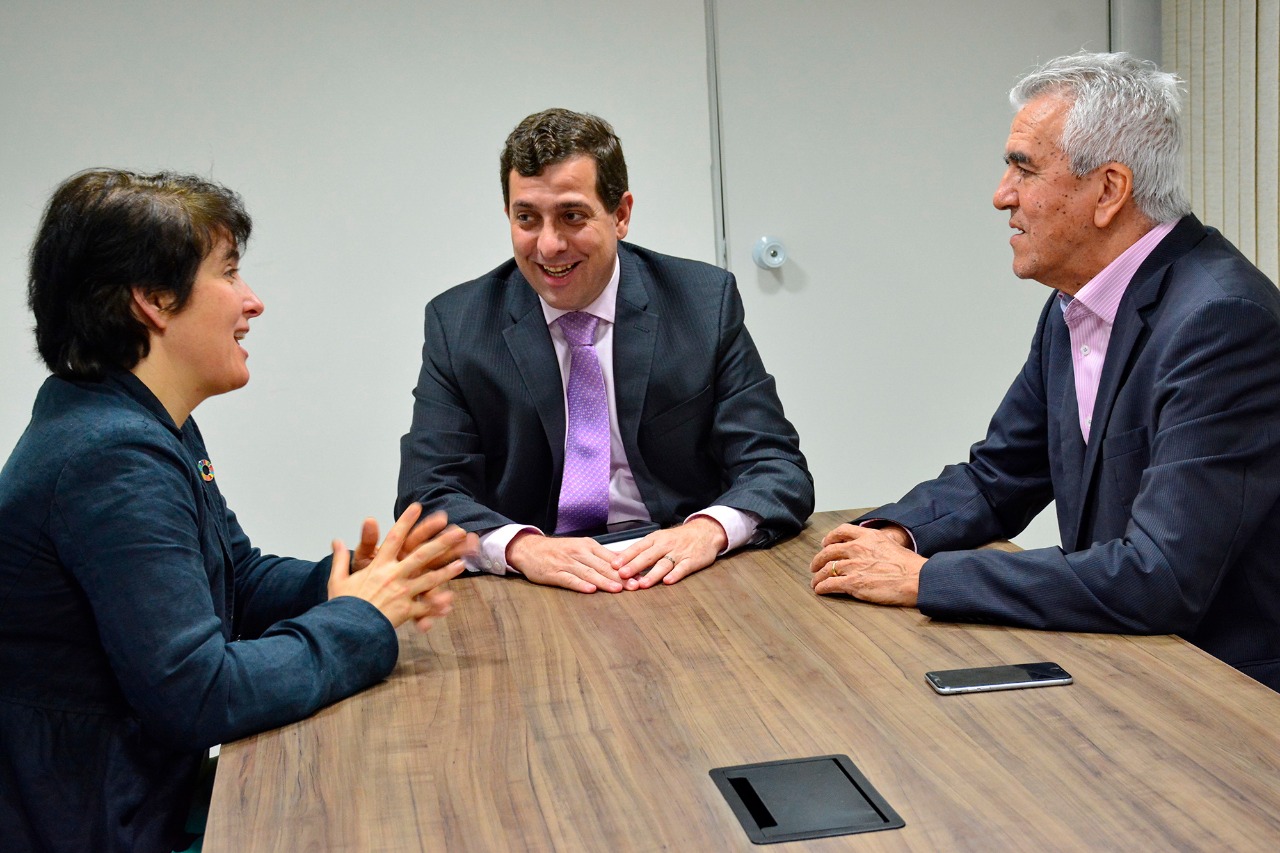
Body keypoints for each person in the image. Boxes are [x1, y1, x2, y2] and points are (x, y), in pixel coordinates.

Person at [0, 169, 472, 853]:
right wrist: (360, 620)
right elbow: (196, 692)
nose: (252, 302)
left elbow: (238, 579)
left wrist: (345, 579)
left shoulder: (132, 422)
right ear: (154, 300)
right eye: (229, 273)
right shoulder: (110, 457)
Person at [810, 52, 1280, 692]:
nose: (1001, 195)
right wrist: (894, 534)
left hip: (1221, 695)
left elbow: (1160, 576)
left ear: (1109, 190)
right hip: (1124, 660)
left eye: (1023, 169)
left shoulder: (1221, 319)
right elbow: (1000, 476)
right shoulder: (1076, 303)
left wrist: (924, 580)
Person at [397, 108, 813, 594]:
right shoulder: (460, 324)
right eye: (526, 218)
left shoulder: (701, 302)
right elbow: (427, 495)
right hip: (535, 580)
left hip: (676, 567)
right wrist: (520, 548)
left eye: (572, 216)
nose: (549, 245)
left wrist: (707, 532)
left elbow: (776, 466)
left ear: (620, 215)